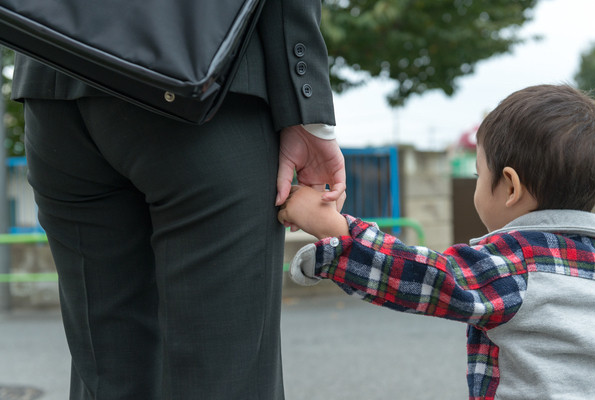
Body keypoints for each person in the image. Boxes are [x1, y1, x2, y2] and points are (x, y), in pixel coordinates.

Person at [11, 1, 345, 399]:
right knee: (224, 375)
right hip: (205, 83)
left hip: (54, 75)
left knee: (107, 374)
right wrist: (307, 114)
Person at [278, 84, 595, 399]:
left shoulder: (519, 266)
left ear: (510, 187)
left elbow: (426, 277)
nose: (476, 183)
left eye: (478, 174)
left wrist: (333, 227)